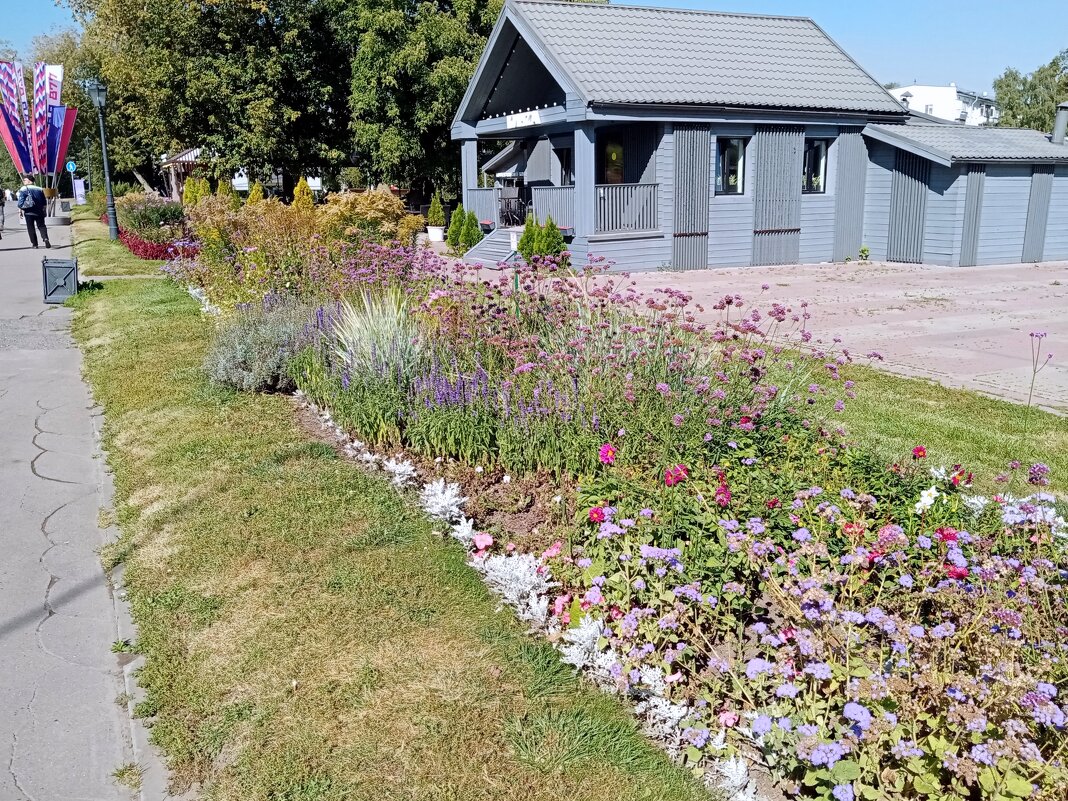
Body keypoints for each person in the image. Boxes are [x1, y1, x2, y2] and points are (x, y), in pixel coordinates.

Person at [16, 176, 50, 249]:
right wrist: (44, 211)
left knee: (30, 228)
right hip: (39, 211)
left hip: (28, 212)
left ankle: (35, 244)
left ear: (29, 181)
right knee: (41, 226)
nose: (24, 181)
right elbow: (44, 202)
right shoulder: (40, 189)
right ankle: (45, 238)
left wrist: (20, 211)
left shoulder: (23, 189)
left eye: (25, 180)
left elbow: (20, 202)